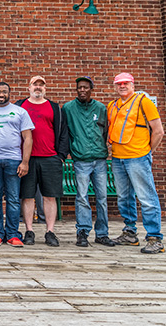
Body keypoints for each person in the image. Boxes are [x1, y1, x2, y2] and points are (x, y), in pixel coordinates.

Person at [107, 72, 165, 254]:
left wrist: (148, 151)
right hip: (118, 157)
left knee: (146, 197)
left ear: (132, 84)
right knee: (124, 197)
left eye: (125, 83)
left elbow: (158, 131)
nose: (122, 86)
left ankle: (155, 237)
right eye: (119, 84)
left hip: (138, 156)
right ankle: (130, 233)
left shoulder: (143, 101)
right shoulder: (112, 105)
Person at [15, 75, 69, 247]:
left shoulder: (55, 108)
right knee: (27, 196)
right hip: (27, 159)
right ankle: (29, 231)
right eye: (35, 85)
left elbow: (63, 133)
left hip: (50, 157)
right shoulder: (19, 106)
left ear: (45, 88)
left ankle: (50, 231)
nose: (38, 87)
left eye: (41, 85)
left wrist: (60, 156)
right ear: (28, 87)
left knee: (50, 196)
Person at [62, 76, 115, 248]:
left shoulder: (100, 108)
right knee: (82, 197)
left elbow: (105, 131)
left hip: (99, 160)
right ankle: (82, 232)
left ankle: (102, 233)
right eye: (79, 88)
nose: (82, 90)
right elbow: (65, 132)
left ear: (91, 89)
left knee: (102, 198)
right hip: (80, 160)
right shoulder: (68, 108)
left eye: (85, 87)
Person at [0, 82, 34, 247]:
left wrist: (25, 162)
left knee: (13, 199)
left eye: (4, 91)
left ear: (9, 93)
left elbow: (28, 138)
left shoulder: (20, 112)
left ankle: (12, 234)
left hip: (13, 160)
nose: (1, 94)